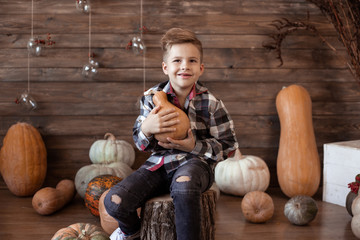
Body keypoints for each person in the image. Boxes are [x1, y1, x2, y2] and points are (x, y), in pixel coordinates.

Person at [104, 27, 239, 240]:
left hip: (196, 165)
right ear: (165, 67)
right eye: (177, 61)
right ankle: (132, 232)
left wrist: (193, 146)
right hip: (158, 165)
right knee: (114, 201)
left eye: (192, 61)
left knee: (184, 186)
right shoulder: (150, 99)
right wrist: (147, 128)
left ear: (201, 68)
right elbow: (141, 144)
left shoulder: (211, 103)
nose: (184, 66)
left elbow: (229, 146)